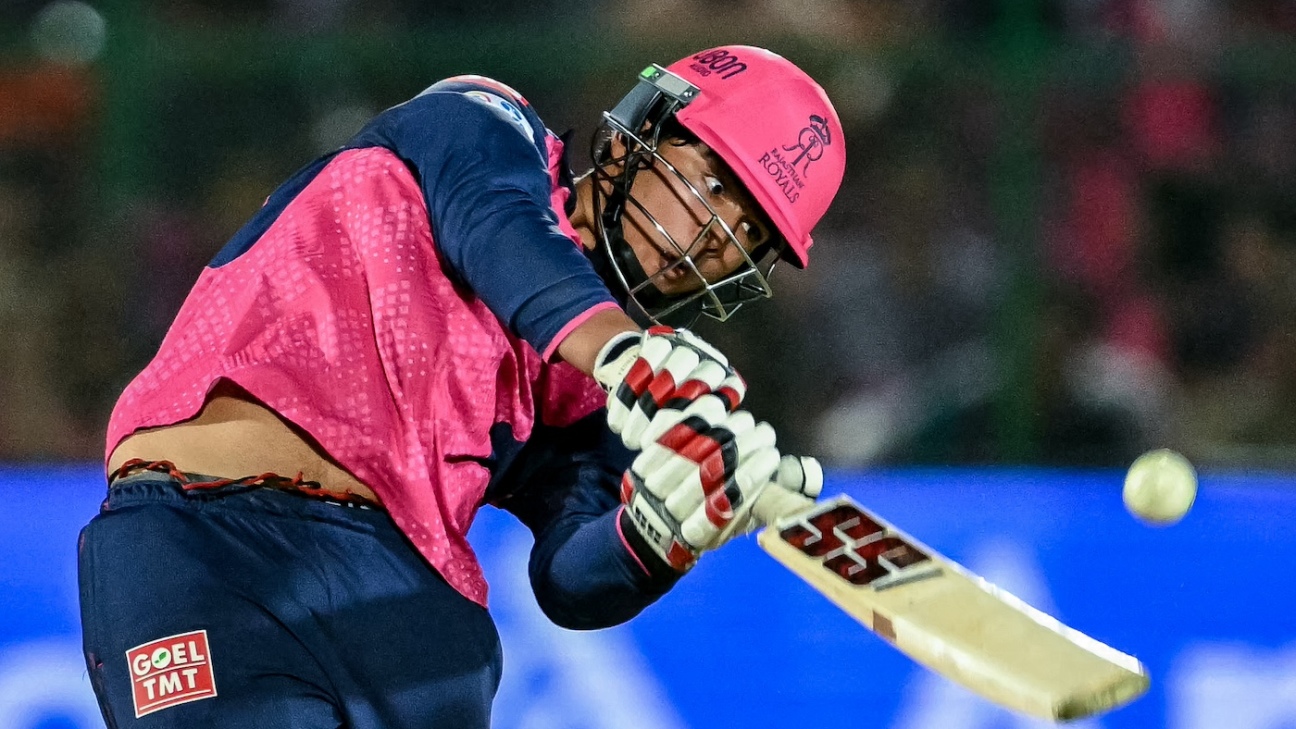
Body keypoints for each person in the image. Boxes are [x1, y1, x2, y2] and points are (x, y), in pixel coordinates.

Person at [78, 45, 845, 727]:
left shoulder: (602, 390)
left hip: (417, 617)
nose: (714, 235)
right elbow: (498, 225)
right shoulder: (481, 122)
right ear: (638, 129)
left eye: (750, 231)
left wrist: (662, 530)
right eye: (710, 179)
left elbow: (570, 579)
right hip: (213, 547)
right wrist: (626, 353)